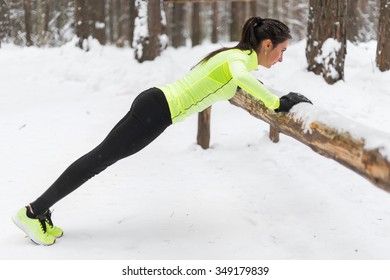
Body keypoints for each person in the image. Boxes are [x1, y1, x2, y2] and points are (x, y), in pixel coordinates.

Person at [12, 17, 312, 246]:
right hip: (155, 113)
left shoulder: (233, 55)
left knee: (98, 159)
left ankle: (39, 210)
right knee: (97, 161)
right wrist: (277, 102)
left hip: (153, 105)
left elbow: (233, 80)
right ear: (267, 45)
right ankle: (32, 212)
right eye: (282, 51)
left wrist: (272, 98)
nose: (282, 58)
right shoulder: (237, 60)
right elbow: (238, 76)